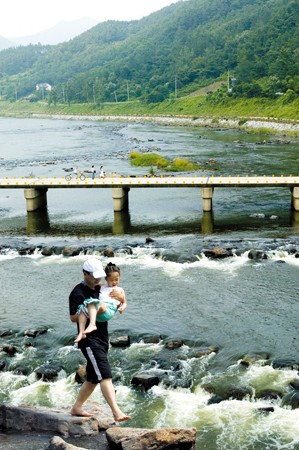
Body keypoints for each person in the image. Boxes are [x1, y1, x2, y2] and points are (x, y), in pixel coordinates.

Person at [69, 257, 130, 421]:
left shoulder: (100, 287)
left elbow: (118, 299)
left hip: (102, 337)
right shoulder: (77, 292)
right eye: (94, 276)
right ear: (85, 273)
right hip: (89, 339)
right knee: (105, 373)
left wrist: (121, 299)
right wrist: (91, 310)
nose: (98, 279)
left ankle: (77, 407)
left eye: (99, 276)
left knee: (93, 378)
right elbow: (73, 317)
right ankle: (116, 411)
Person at [74, 262, 126, 343]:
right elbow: (87, 283)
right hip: (99, 312)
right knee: (82, 308)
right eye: (111, 280)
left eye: (117, 279)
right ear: (106, 278)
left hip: (108, 309)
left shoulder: (120, 290)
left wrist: (122, 306)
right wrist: (79, 285)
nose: (114, 282)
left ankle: (92, 324)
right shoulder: (102, 286)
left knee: (91, 302)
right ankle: (81, 333)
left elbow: (124, 302)